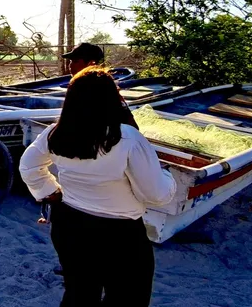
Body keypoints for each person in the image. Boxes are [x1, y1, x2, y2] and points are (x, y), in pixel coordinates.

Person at [19, 66, 176, 307]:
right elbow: (157, 195)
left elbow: (28, 166)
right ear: (113, 99)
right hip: (120, 237)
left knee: (79, 295)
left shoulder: (56, 133)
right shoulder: (127, 137)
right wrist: (167, 176)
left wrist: (51, 192)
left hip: (70, 226)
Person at [63, 42, 138, 129]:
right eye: (70, 61)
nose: (70, 65)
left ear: (92, 64)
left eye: (75, 61)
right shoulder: (76, 88)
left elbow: (131, 127)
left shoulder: (103, 91)